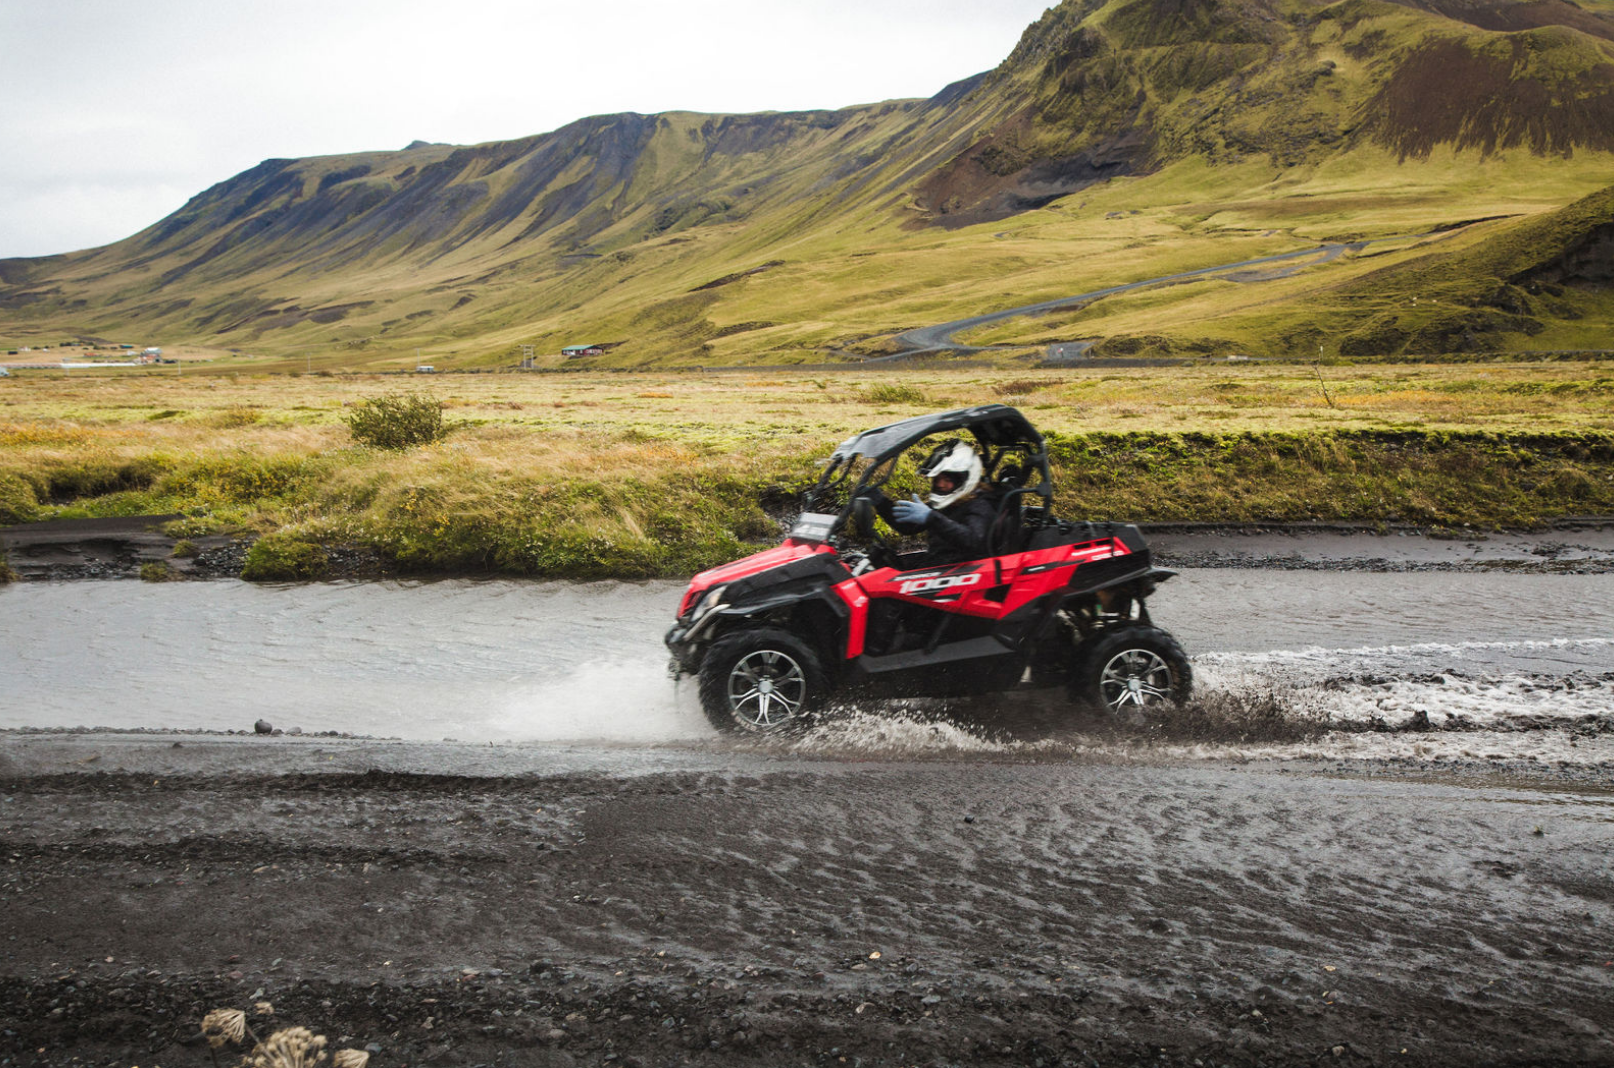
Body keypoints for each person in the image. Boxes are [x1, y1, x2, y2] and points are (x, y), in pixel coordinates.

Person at [875, 439, 996, 566]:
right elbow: (906, 526)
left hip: (964, 569)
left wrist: (932, 518)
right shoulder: (946, 503)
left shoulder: (980, 505)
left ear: (964, 480)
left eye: (947, 479)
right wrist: (879, 501)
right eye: (937, 479)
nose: (940, 484)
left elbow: (973, 541)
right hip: (942, 563)